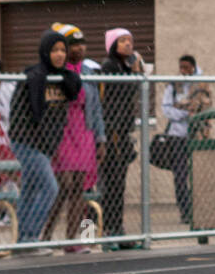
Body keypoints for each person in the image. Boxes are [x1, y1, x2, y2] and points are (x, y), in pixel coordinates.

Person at [8, 30, 81, 247]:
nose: (59, 54)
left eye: (62, 50)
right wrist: (34, 137)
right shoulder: (34, 76)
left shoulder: (65, 79)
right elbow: (19, 113)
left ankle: (22, 240)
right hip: (27, 142)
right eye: (54, 50)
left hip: (47, 146)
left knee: (30, 190)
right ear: (45, 52)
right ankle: (31, 238)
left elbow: (74, 89)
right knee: (50, 188)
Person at [43, 26, 105, 250]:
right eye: (74, 44)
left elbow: (96, 107)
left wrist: (101, 138)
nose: (79, 48)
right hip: (63, 132)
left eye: (82, 44)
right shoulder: (55, 71)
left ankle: (72, 240)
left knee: (79, 188)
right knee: (61, 187)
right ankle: (45, 237)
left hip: (84, 131)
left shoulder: (87, 72)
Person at [98, 28, 144, 246]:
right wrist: (134, 74)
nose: (128, 44)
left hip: (123, 132)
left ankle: (117, 228)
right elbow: (119, 93)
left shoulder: (126, 67)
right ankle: (108, 229)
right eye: (122, 41)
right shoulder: (109, 67)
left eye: (130, 40)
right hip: (111, 132)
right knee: (111, 183)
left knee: (120, 184)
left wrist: (136, 71)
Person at [160, 55, 211, 225]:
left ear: (193, 67)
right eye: (181, 67)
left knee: (200, 174)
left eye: (186, 67)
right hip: (178, 136)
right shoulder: (174, 85)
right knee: (180, 176)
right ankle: (185, 211)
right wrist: (185, 113)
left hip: (197, 136)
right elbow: (167, 109)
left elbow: (205, 107)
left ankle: (201, 209)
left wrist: (188, 109)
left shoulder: (202, 85)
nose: (183, 71)